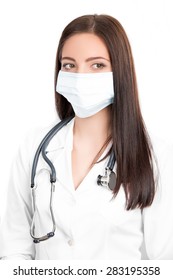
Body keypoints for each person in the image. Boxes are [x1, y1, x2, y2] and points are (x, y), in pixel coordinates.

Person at [0, 14, 173, 260]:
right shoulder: (34, 147)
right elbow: (14, 251)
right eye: (69, 65)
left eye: (97, 65)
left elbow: (164, 264)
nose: (80, 76)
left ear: (119, 72)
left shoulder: (156, 157)